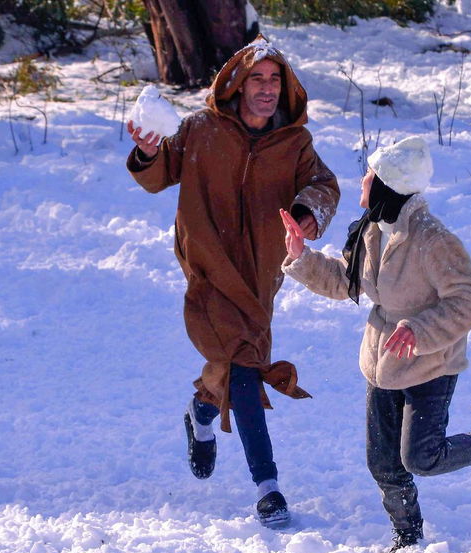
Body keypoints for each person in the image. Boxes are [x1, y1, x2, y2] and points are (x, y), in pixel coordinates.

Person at [126, 35, 339, 528]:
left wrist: (309, 214)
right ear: (236, 85)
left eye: (274, 80)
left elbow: (324, 186)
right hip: (207, 270)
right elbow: (158, 174)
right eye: (256, 79)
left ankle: (202, 409)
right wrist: (147, 152)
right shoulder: (201, 129)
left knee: (237, 361)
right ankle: (268, 487)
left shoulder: (295, 143)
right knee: (244, 364)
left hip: (262, 277)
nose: (265, 89)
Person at [279, 135, 471, 553]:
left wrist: (419, 329)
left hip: (431, 364)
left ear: (388, 184)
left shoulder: (433, 240)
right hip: (384, 363)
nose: (362, 179)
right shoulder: (373, 229)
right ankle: (408, 539)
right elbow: (346, 282)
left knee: (421, 457)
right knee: (383, 464)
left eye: (369, 174)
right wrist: (302, 256)